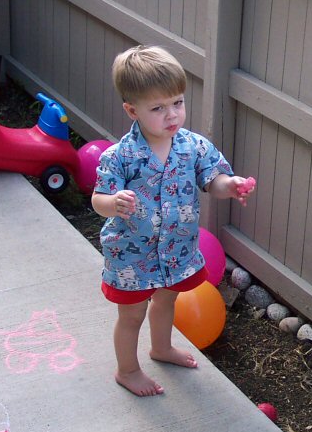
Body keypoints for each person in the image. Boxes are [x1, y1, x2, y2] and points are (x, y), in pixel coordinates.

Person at [91, 45, 255, 396]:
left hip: (175, 250)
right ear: (132, 110)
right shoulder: (120, 157)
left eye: (177, 103)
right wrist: (113, 203)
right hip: (132, 255)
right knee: (131, 316)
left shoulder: (193, 147)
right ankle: (127, 370)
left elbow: (213, 179)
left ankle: (161, 348)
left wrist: (230, 185)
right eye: (158, 108)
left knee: (166, 302)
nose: (172, 115)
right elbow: (98, 200)